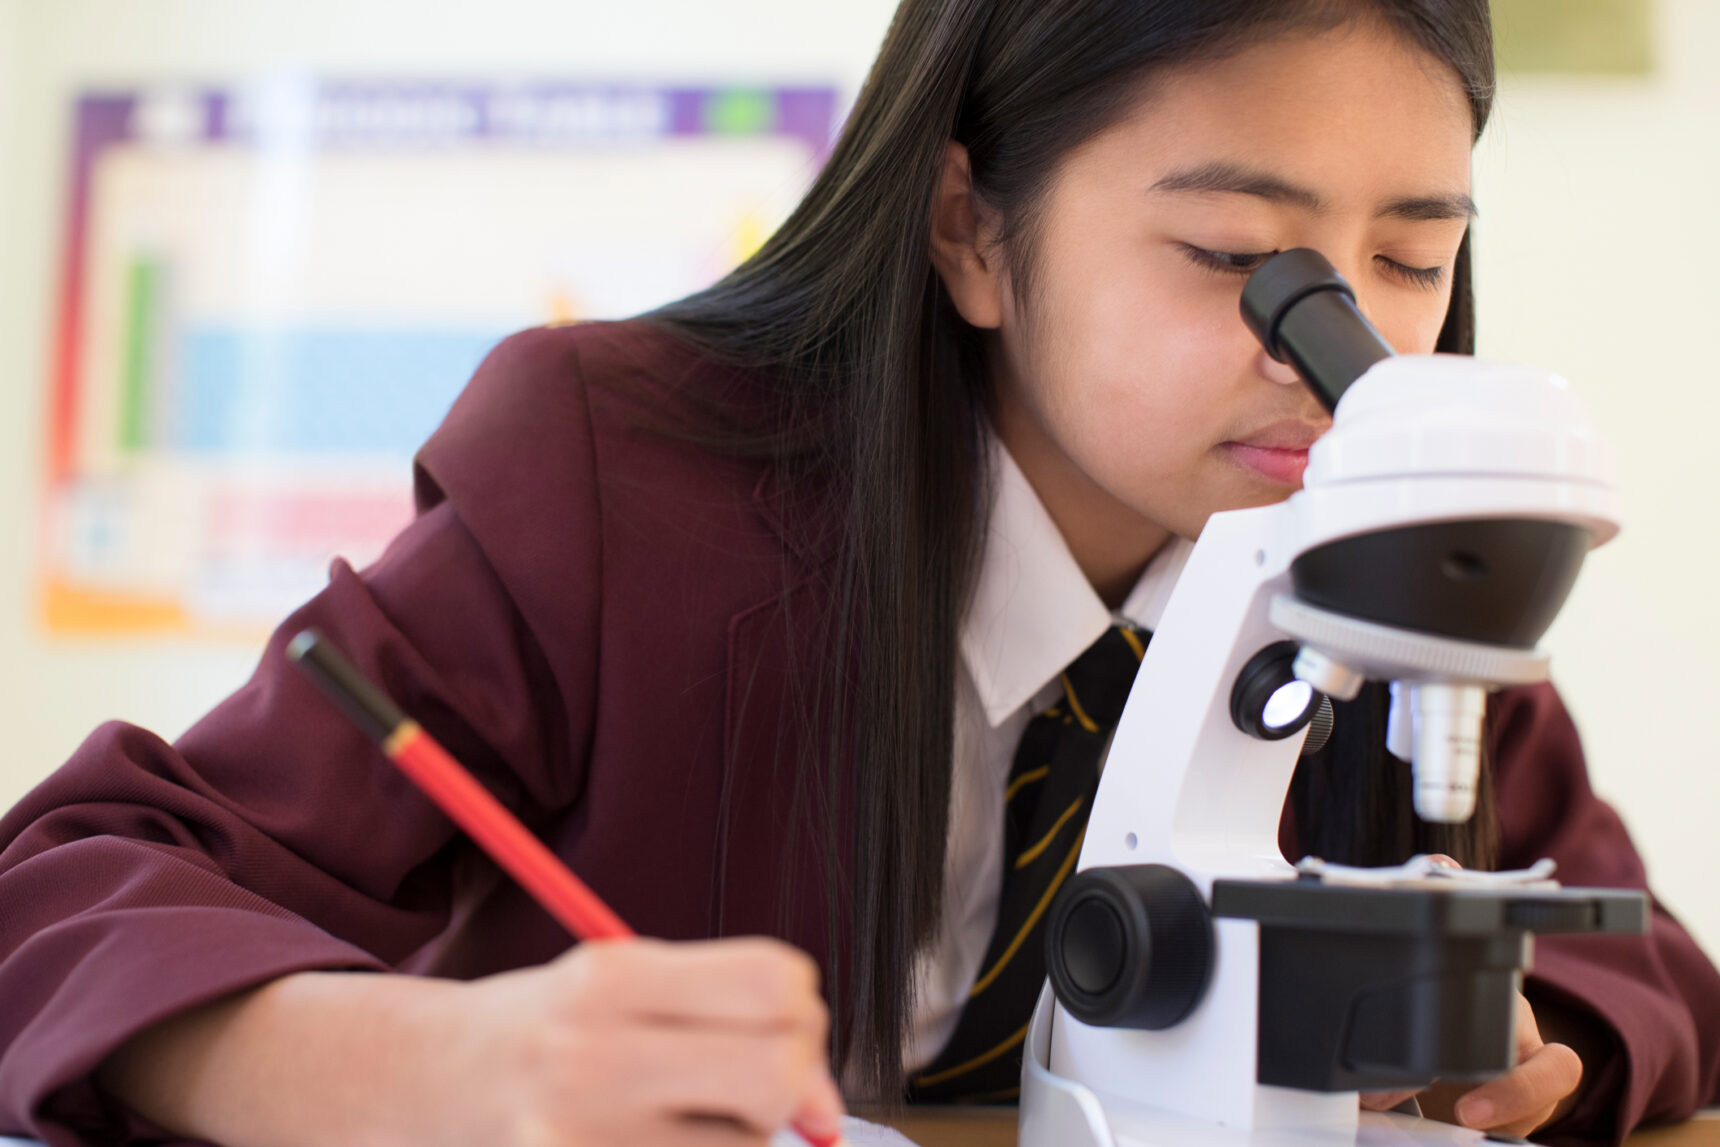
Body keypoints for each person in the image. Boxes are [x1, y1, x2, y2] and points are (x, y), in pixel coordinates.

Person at [0, 1, 1716, 1145]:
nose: (1336, 354)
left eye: (1412, 259)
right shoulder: (615, 478)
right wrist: (444, 1070)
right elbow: (70, 891)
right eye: (1238, 261)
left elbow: (1638, 958)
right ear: (971, 228)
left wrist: (1518, 1051)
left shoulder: (1376, 539)